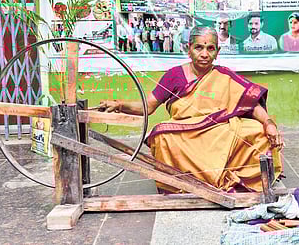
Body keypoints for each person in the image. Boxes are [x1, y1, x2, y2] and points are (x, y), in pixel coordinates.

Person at [98, 26, 284, 193]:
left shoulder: (224, 75)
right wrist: (119, 105)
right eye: (199, 48)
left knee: (258, 131)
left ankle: (233, 178)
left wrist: (268, 123)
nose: (204, 54)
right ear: (189, 49)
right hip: (186, 132)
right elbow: (148, 107)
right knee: (162, 135)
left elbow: (252, 104)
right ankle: (186, 182)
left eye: (210, 48)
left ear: (217, 52)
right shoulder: (174, 75)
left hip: (221, 129)